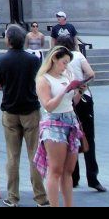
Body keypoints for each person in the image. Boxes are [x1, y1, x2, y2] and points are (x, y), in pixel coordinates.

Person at [0, 25, 48, 207]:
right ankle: (41, 197)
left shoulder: (1, 61)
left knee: (12, 156)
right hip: (31, 110)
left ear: (9, 40)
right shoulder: (33, 60)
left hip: (10, 110)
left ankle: (12, 197)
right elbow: (39, 80)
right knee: (35, 154)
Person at [34, 45, 85, 207]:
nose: (65, 66)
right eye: (64, 62)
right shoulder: (44, 79)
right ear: (54, 59)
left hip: (70, 119)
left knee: (68, 170)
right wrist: (64, 91)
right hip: (53, 122)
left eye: (68, 63)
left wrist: (79, 92)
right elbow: (48, 105)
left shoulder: (66, 76)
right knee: (55, 169)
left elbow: (72, 102)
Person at [56, 35, 105, 192]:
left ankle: (73, 177)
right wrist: (82, 86)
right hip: (84, 99)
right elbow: (91, 73)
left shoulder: (57, 60)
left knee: (70, 138)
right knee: (88, 137)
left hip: (67, 102)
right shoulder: (78, 55)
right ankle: (93, 178)